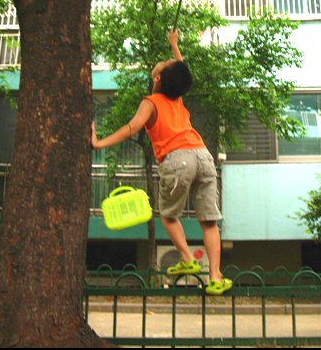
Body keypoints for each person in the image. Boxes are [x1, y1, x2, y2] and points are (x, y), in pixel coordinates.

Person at [91, 30, 232, 295]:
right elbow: (182, 71)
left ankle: (188, 259)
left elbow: (132, 127)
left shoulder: (152, 101)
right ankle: (214, 277)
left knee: (168, 216)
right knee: (209, 221)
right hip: (203, 156)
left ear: (157, 78)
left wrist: (100, 143)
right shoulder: (177, 97)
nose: (167, 62)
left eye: (164, 65)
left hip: (177, 159)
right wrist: (174, 45)